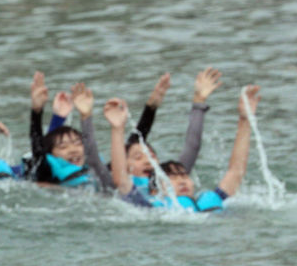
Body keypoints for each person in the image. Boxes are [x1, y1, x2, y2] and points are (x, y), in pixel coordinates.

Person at [109, 86, 261, 212]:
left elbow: (236, 171)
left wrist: (245, 120)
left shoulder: (210, 199)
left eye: (183, 176)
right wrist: (117, 129)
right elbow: (121, 180)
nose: (182, 181)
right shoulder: (152, 209)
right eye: (172, 178)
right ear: (155, 191)